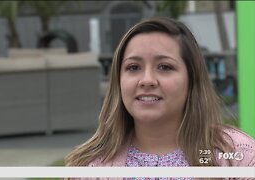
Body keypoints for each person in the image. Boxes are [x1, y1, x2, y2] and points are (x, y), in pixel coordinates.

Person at [65, 17, 255, 171]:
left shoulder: (236, 154)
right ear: (118, 81)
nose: (147, 80)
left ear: (191, 79)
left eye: (165, 67)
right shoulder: (88, 168)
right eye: (133, 67)